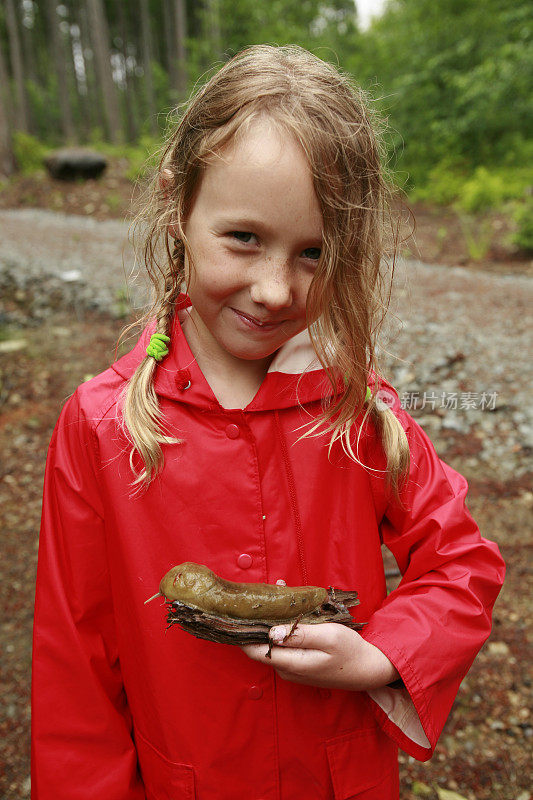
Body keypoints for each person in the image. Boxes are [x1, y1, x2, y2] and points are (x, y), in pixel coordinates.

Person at [31, 44, 505, 800]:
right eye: (243, 238)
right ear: (178, 204)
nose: (275, 289)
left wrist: (379, 653)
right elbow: (75, 676)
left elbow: (463, 563)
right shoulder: (99, 426)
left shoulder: (358, 410)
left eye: (314, 252)